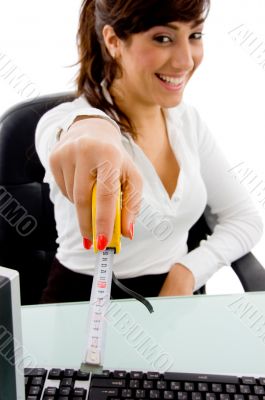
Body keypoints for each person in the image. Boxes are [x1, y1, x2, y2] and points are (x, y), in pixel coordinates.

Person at [35, 0, 263, 303]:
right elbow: (69, 133)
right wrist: (94, 127)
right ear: (114, 40)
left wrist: (188, 271)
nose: (185, 61)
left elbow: (244, 218)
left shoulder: (187, 121)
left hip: (175, 302)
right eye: (163, 38)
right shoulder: (64, 119)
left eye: (194, 36)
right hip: (81, 303)